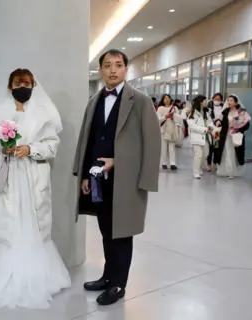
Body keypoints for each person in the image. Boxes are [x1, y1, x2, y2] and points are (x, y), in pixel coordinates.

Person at [0, 68, 71, 309]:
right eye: (18, 83)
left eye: (27, 83)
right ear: (10, 87)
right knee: (7, 221)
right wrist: (0, 148)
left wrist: (30, 149)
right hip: (7, 176)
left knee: (35, 222)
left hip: (33, 176)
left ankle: (36, 277)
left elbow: (52, 146)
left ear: (33, 86)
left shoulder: (43, 112)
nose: (22, 87)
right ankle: (4, 275)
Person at [73, 49, 161, 306]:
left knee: (122, 233)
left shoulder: (141, 101)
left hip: (126, 180)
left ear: (126, 69)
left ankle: (119, 285)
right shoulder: (94, 101)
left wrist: (119, 163)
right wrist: (84, 174)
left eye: (118, 65)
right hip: (98, 179)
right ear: (100, 70)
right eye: (108, 65)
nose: (113, 70)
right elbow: (87, 141)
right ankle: (108, 276)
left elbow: (151, 144)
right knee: (105, 230)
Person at [214, 95, 251, 179]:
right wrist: (218, 121)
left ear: (236, 102)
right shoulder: (225, 111)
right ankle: (228, 171)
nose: (229, 102)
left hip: (236, 136)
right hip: (225, 135)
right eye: (228, 100)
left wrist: (239, 129)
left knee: (235, 153)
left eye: (231, 100)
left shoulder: (241, 112)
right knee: (227, 152)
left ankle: (233, 170)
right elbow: (218, 120)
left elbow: (247, 124)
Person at [187, 95, 214, 179]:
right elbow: (192, 126)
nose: (207, 102)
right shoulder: (193, 113)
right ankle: (196, 172)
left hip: (206, 137)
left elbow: (210, 122)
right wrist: (205, 129)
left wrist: (210, 127)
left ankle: (199, 167)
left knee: (205, 154)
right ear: (201, 102)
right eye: (205, 101)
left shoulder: (206, 112)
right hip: (196, 137)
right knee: (198, 154)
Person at [157, 94, 184, 170]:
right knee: (163, 147)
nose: (167, 100)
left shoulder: (174, 108)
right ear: (162, 100)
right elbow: (157, 119)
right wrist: (165, 117)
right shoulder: (160, 108)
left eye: (168, 98)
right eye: (165, 98)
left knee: (172, 146)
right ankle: (164, 163)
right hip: (163, 130)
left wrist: (173, 116)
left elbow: (179, 118)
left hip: (172, 129)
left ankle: (173, 163)